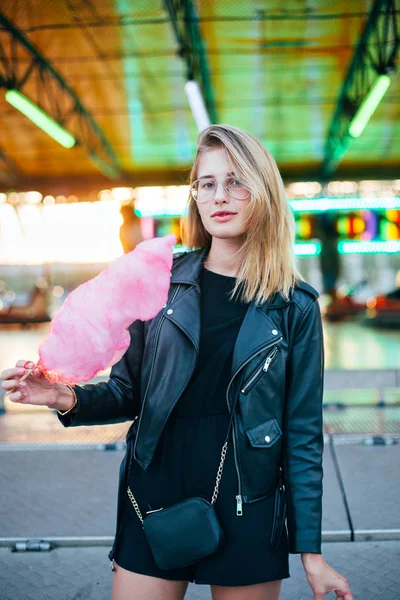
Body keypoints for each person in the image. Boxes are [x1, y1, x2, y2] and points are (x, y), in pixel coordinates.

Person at [1, 125, 353, 600]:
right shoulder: (159, 282)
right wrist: (64, 396)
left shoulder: (295, 307)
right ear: (196, 195)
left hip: (248, 498)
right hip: (156, 490)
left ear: (263, 192)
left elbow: (303, 435)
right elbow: (129, 393)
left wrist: (311, 552)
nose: (219, 196)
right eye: (206, 183)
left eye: (236, 181)